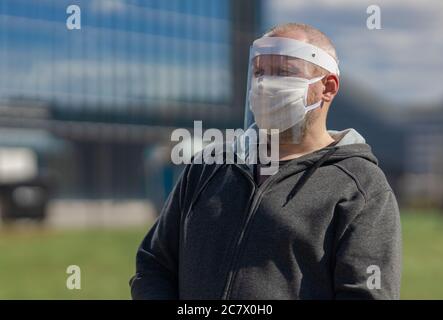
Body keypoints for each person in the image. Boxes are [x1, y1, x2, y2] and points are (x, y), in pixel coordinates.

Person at [130, 23, 402, 300]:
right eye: (259, 72)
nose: (265, 84)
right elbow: (154, 264)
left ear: (327, 88)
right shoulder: (208, 166)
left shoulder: (361, 187)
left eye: (283, 72)